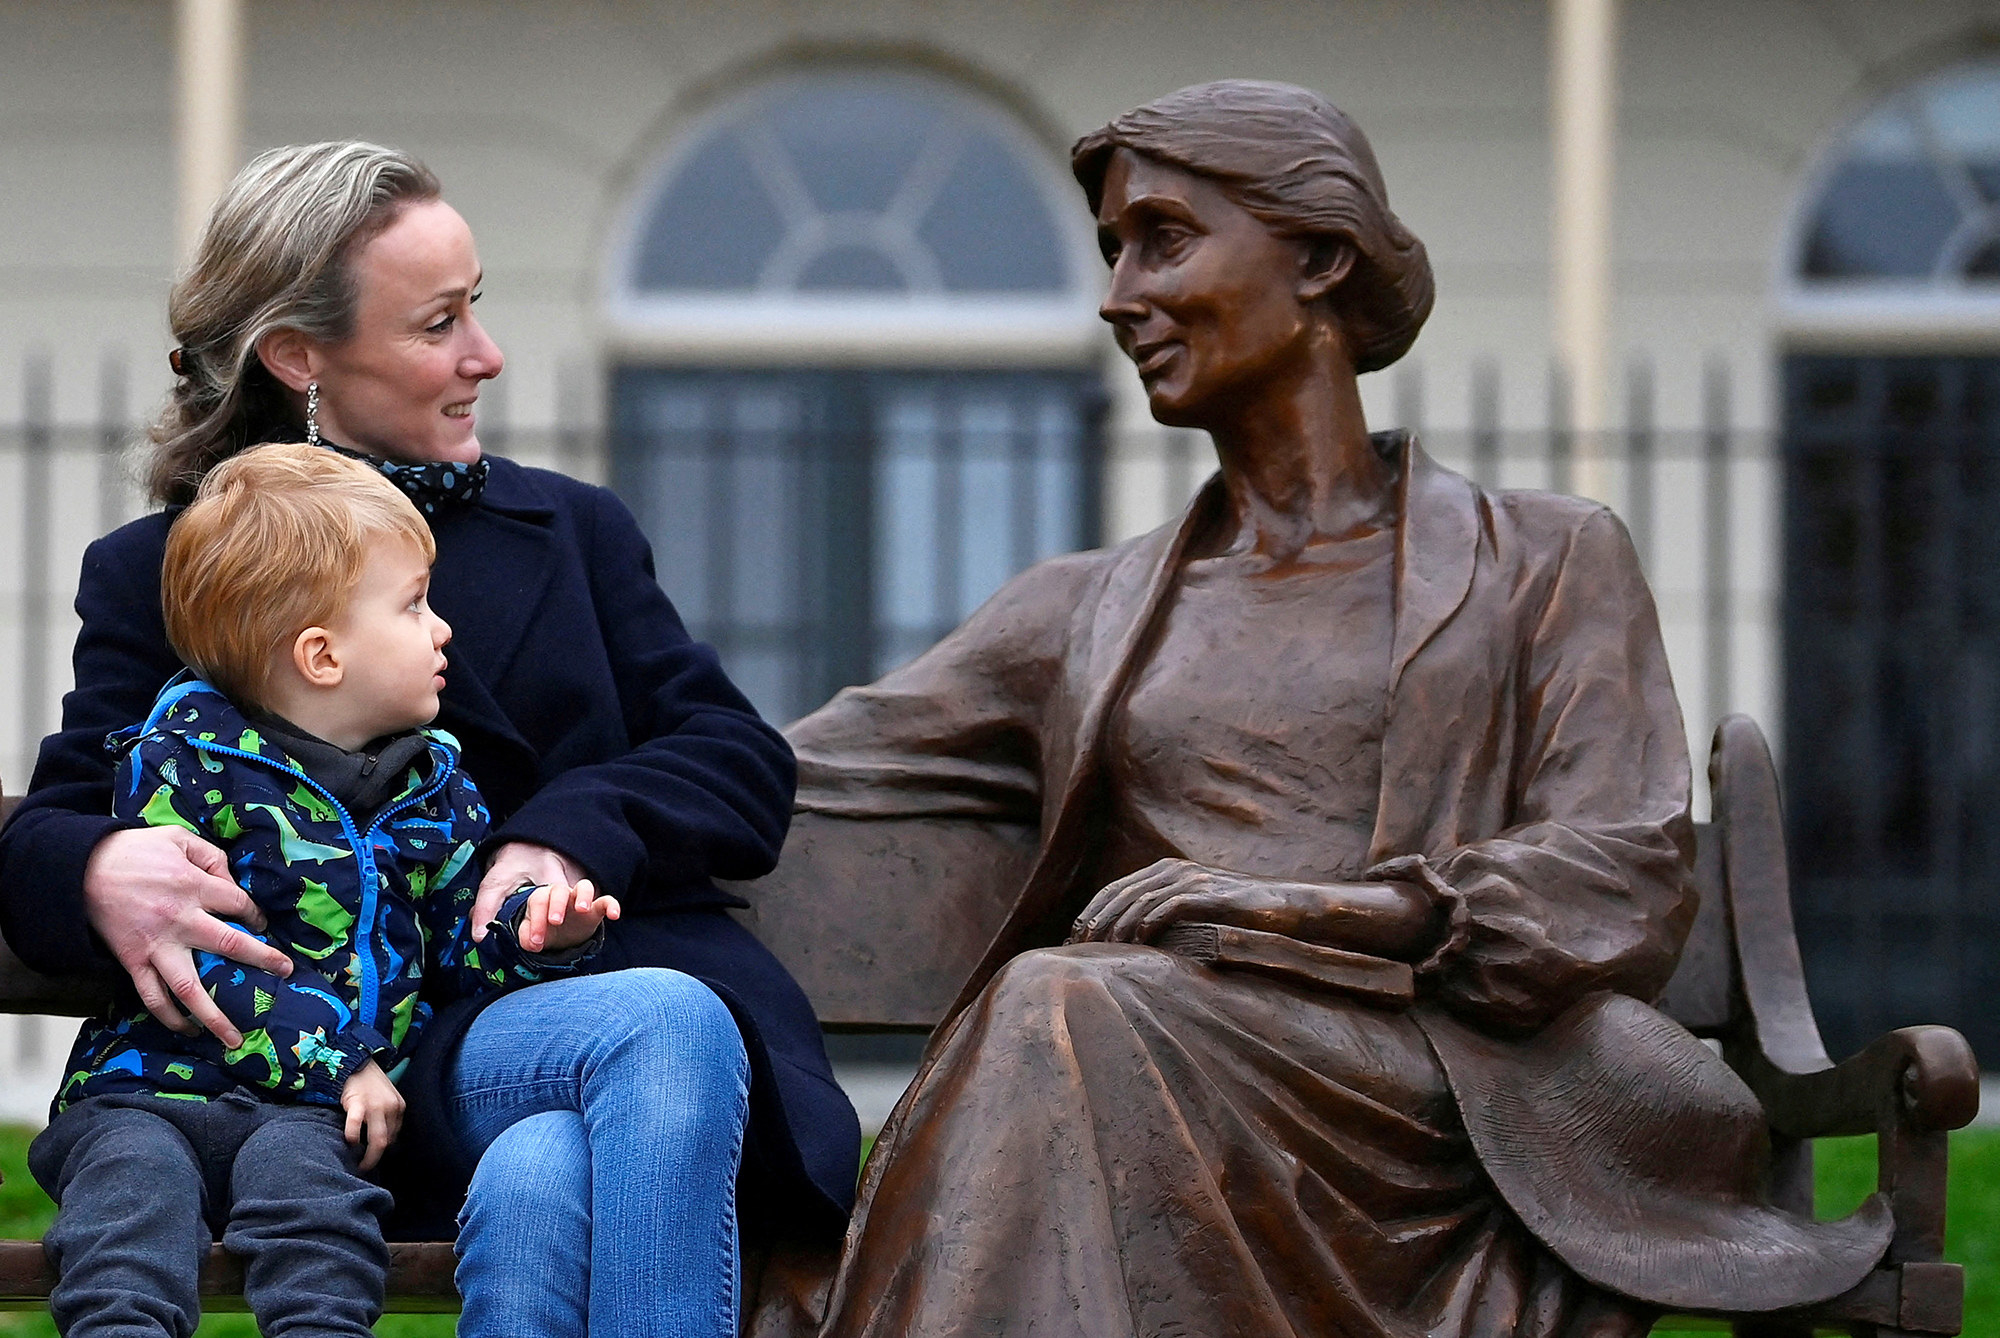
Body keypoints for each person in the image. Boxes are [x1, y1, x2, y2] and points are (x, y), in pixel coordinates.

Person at [751, 81, 1891, 1337]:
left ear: (1320, 258)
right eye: (1112, 250)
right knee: (1064, 1012)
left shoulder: (1546, 559)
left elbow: (1621, 871)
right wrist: (548, 798)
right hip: (1161, 1091)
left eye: (1163, 238)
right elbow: (780, 771)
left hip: (1449, 1110)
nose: (1118, 294)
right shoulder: (1078, 611)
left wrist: (1308, 907)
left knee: (1061, 1006)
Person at [0, 142, 859, 1338]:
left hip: (551, 1009)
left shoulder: (572, 529)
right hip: (339, 1080)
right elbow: (68, 816)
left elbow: (733, 754)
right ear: (299, 356)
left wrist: (562, 839)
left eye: (478, 309)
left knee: (569, 1140)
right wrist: (98, 868)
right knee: (608, 1090)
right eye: (437, 324)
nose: (485, 357)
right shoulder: (176, 574)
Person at [35, 443, 619, 1338]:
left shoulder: (438, 789)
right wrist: (343, 1060)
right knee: (130, 1211)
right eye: (415, 604)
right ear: (320, 654)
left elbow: (450, 954)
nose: (443, 630)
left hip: (303, 1113)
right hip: (146, 1090)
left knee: (320, 1228)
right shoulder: (188, 765)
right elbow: (192, 950)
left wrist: (535, 939)